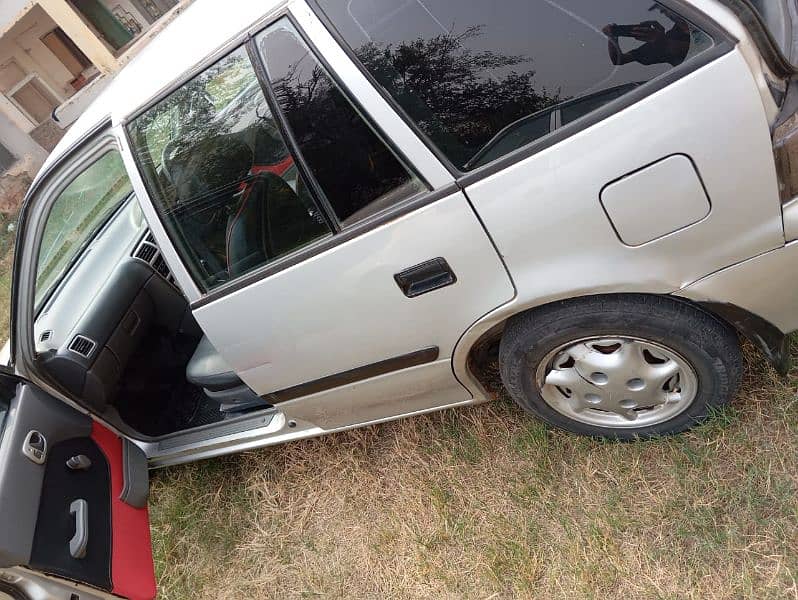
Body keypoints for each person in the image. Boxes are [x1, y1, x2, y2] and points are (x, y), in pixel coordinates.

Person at [602, 4, 691, 67]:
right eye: (663, 10)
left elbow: (692, 49)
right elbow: (619, 59)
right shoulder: (661, 41)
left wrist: (662, 42)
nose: (669, 13)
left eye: (669, 8)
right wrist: (612, 38)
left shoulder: (699, 20)